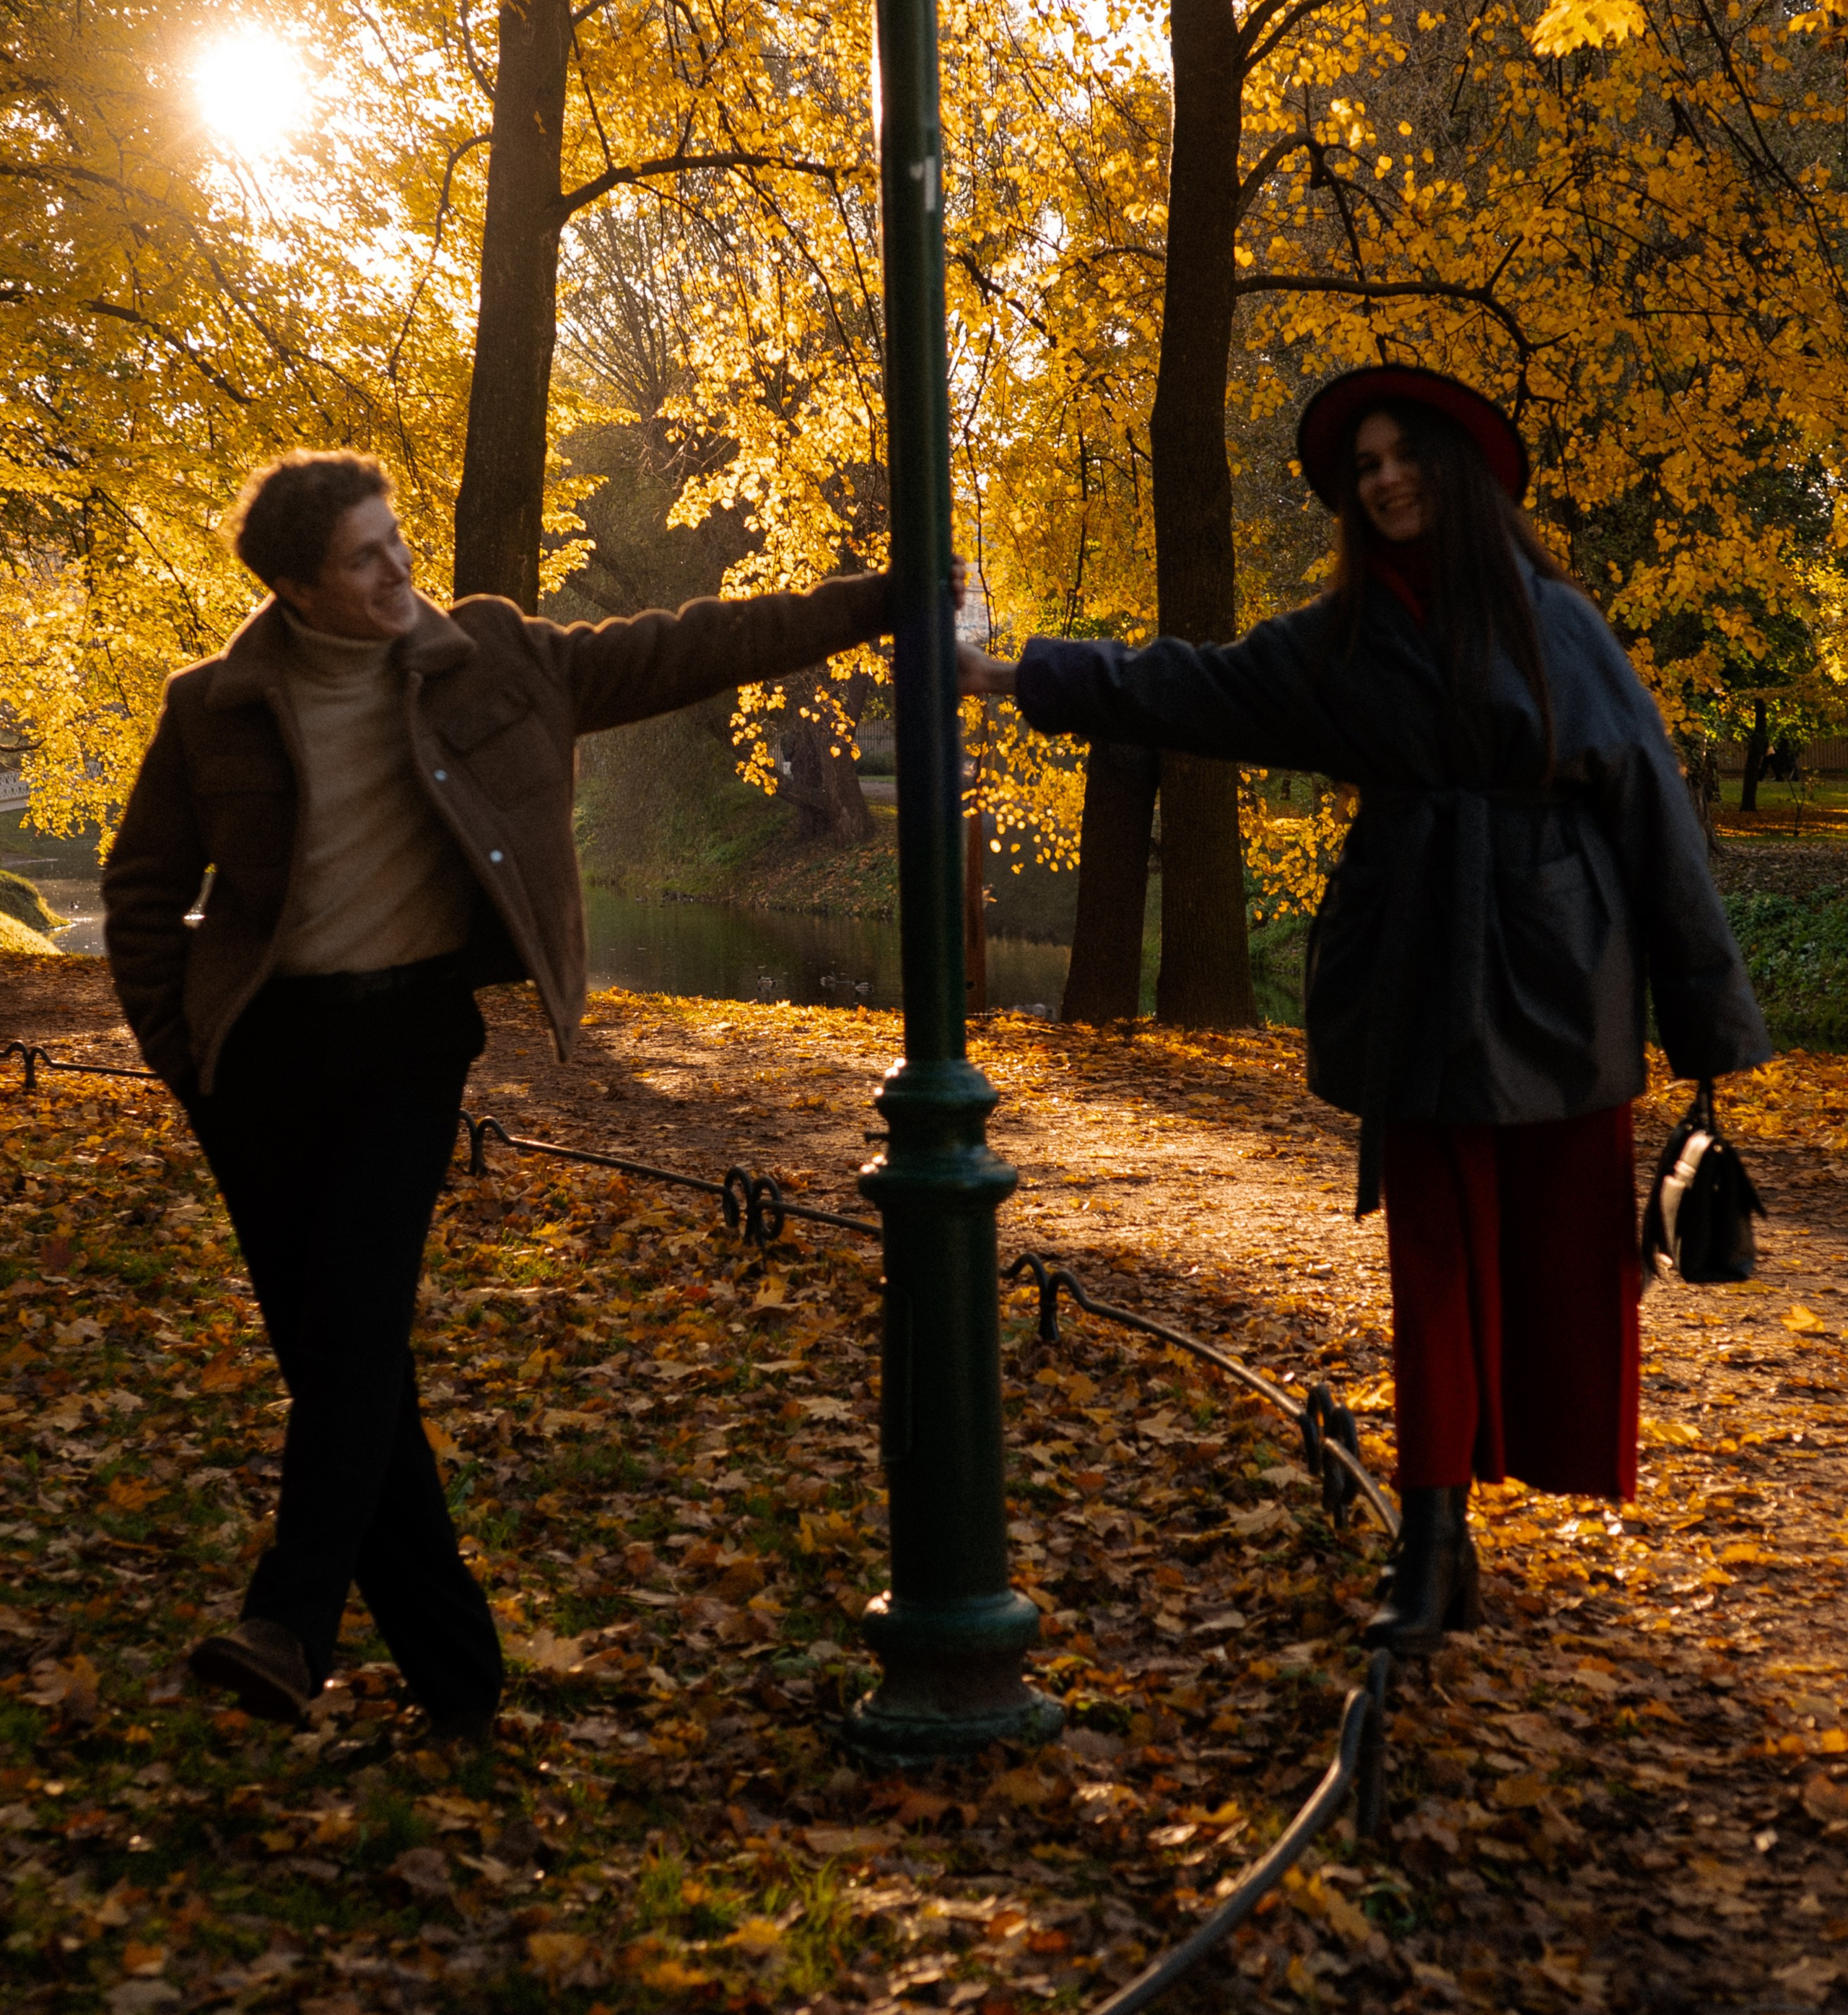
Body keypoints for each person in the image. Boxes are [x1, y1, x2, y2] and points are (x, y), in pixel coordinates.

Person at [958, 366, 1769, 1653]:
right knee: (1432, 1262)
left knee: (1566, 1261)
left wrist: (1709, 1037)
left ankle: (1487, 1509)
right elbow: (1184, 684)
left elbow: (1651, 814)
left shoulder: (1559, 623)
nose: (1384, 480)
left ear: (1456, 471)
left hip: (1563, 975)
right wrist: (1006, 676)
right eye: (1365, 468)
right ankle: (1432, 1542)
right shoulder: (1337, 643)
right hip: (1417, 977)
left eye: (1403, 457)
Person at [103, 451, 894, 1736]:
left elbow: (690, 645)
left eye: (395, 539)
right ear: (297, 588)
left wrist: (874, 600)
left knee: (356, 1334)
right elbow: (141, 891)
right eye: (364, 559)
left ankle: (289, 1623)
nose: (398, 569)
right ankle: (460, 1682)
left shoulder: (496, 658)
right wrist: (182, 1059)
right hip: (260, 1061)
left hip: (409, 1046)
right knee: (342, 1369)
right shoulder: (214, 708)